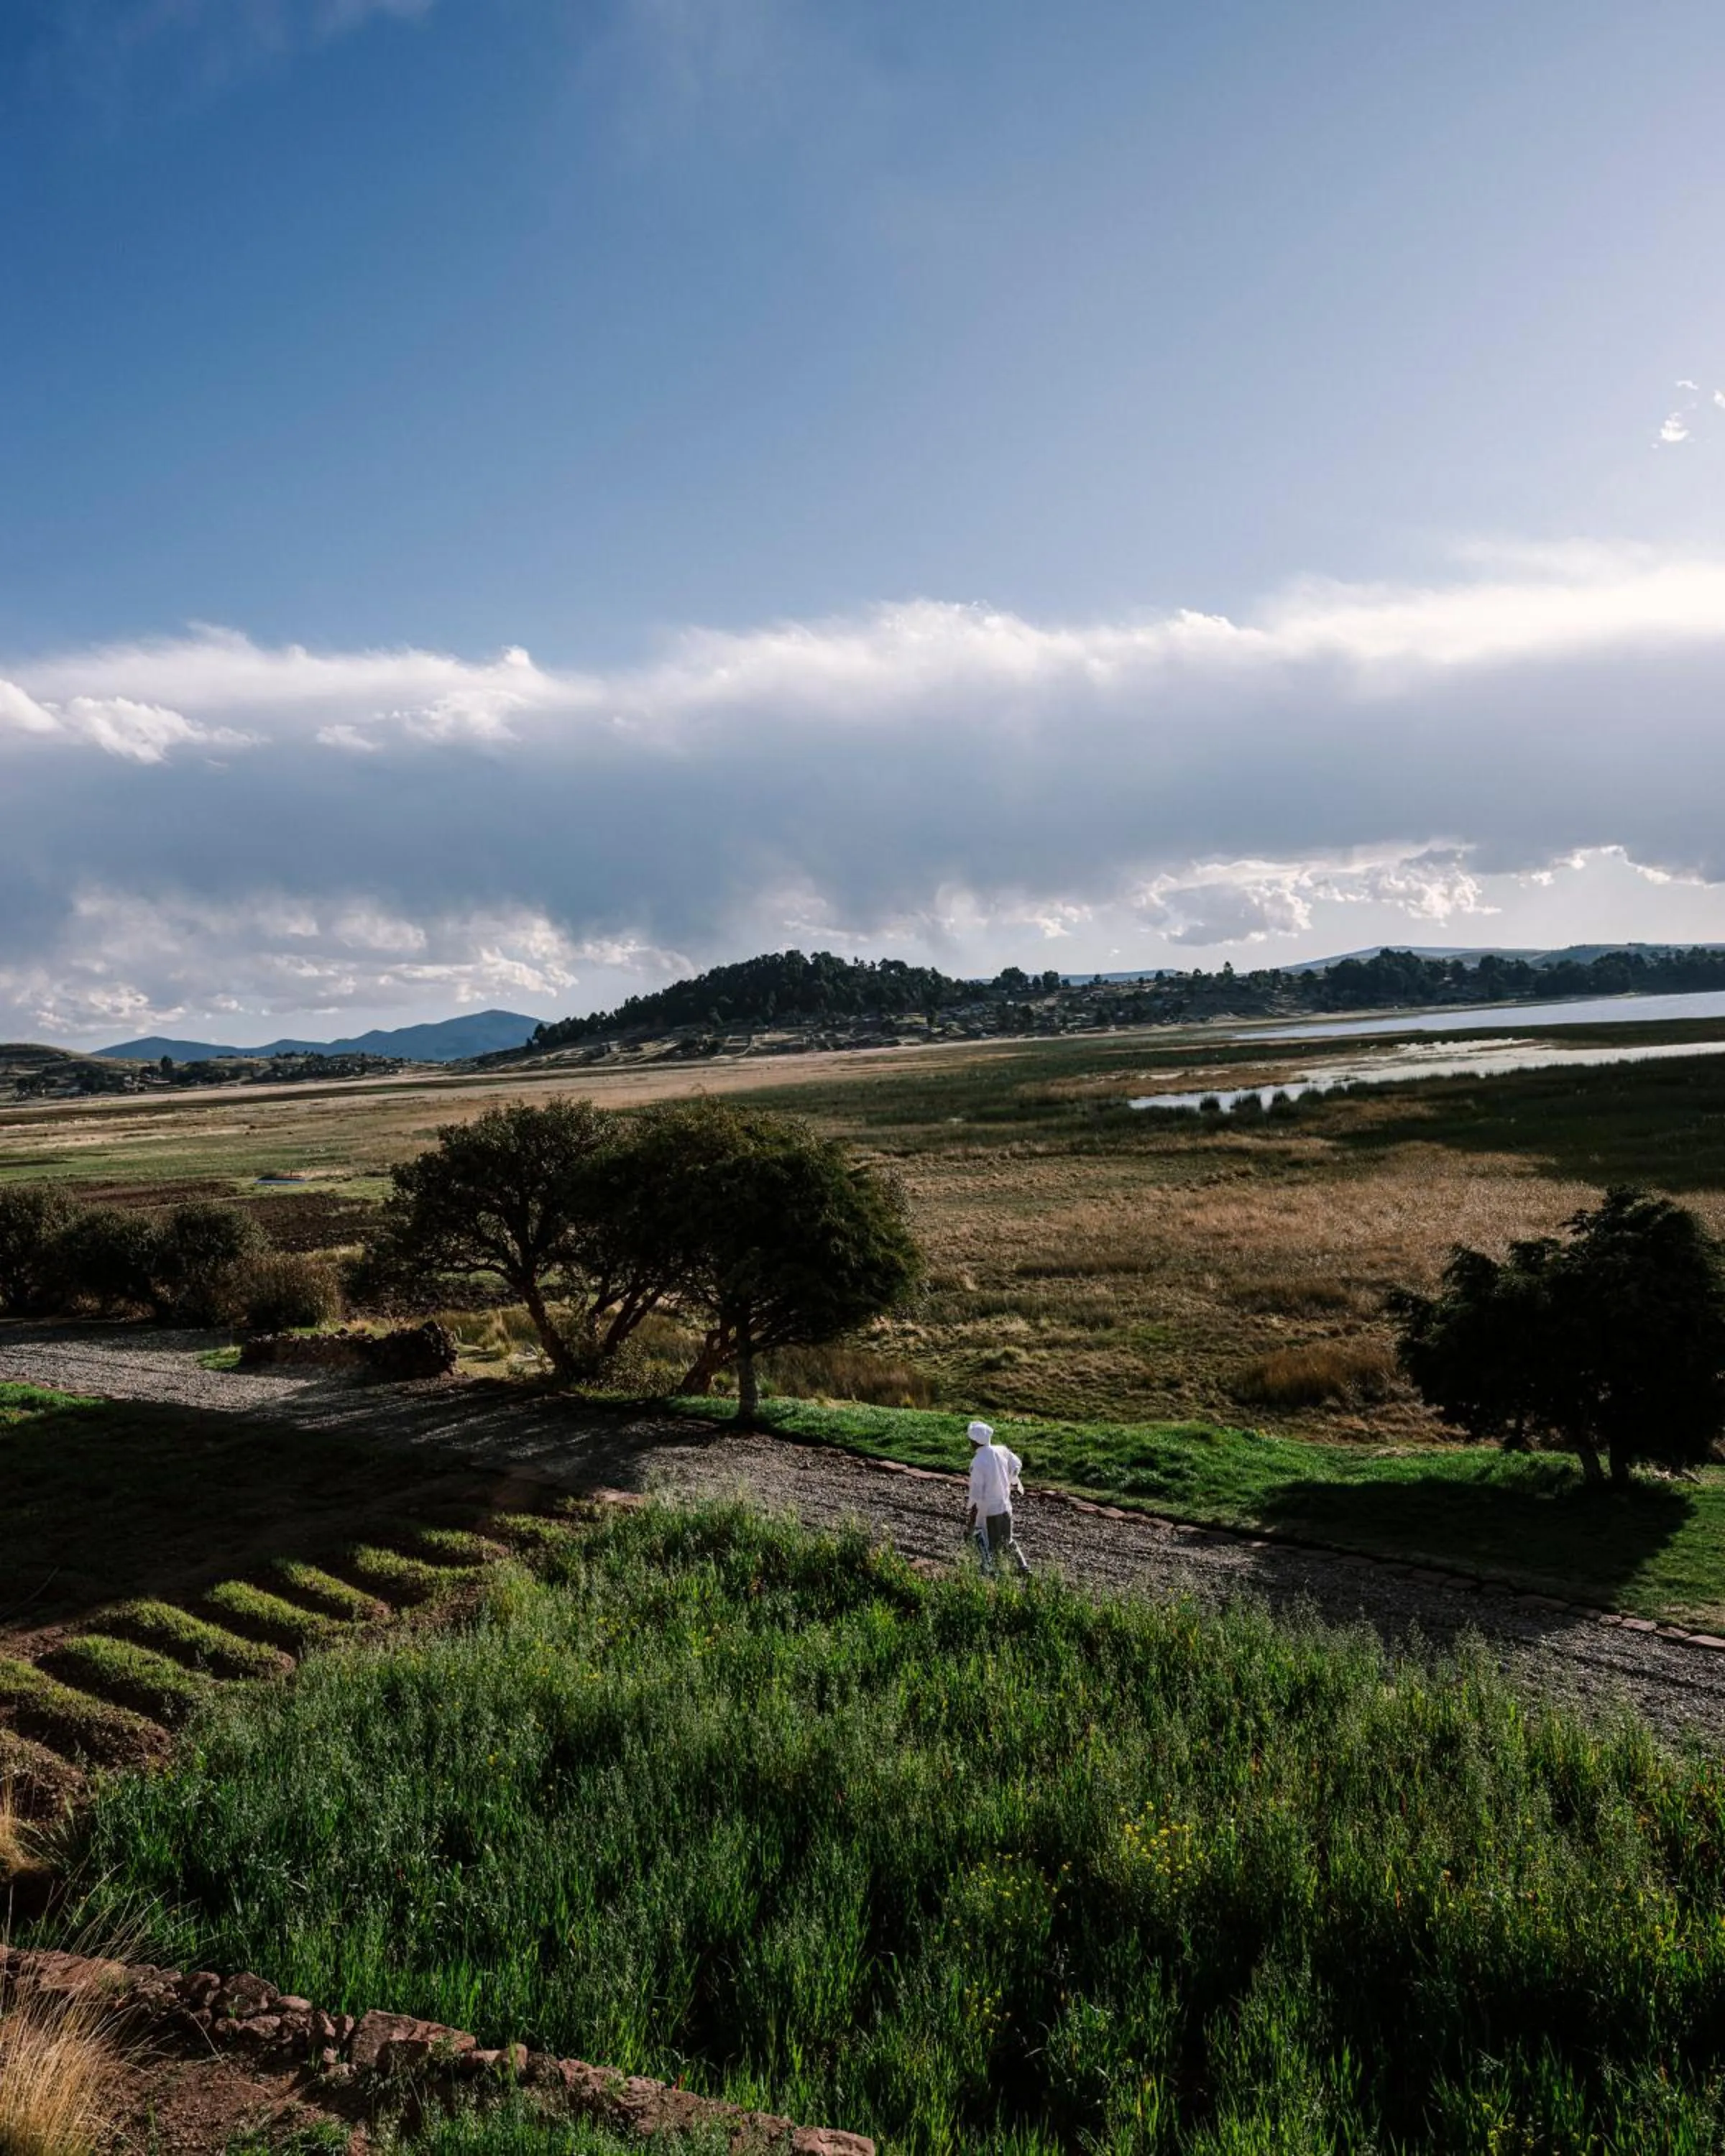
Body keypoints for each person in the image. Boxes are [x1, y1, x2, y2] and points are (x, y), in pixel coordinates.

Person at [966, 1419, 1030, 1577]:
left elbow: (976, 1493)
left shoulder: (978, 1462)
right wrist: (1009, 1478)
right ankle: (1023, 1567)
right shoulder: (1001, 1450)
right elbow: (1016, 1464)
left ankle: (990, 1571)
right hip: (1005, 1505)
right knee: (1007, 1540)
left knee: (982, 1539)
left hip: (988, 1510)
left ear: (974, 1442)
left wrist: (972, 1518)